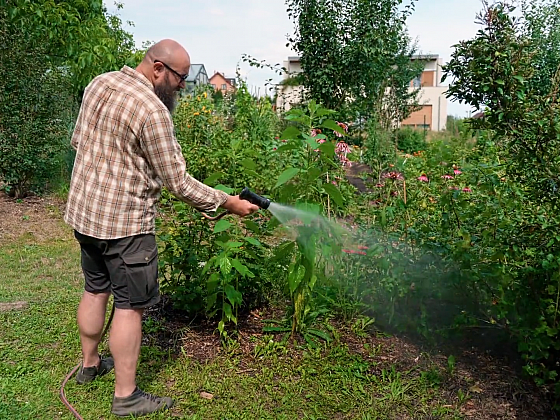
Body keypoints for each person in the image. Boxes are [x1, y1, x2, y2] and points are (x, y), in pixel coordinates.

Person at [64, 39, 259, 417]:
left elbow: (79, 142)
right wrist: (227, 202)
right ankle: (126, 396)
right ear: (157, 69)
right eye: (180, 78)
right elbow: (178, 182)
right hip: (125, 226)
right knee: (130, 307)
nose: (183, 86)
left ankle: (89, 366)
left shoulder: (99, 83)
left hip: (85, 217)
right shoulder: (151, 109)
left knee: (94, 289)